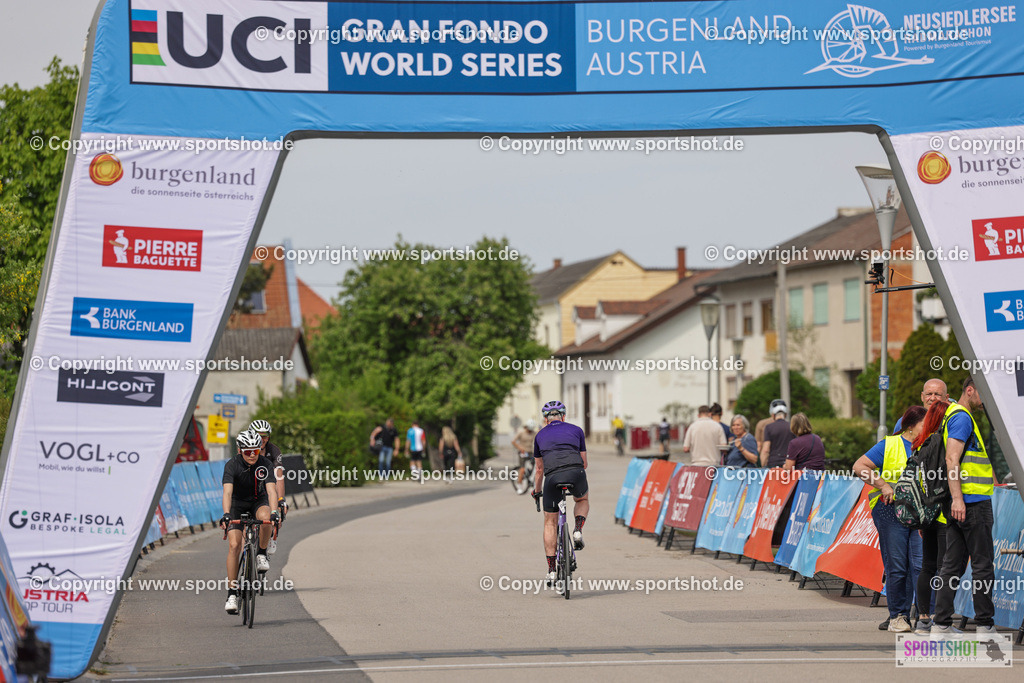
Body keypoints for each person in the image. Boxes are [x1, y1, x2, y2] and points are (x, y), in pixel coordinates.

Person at [852, 405, 927, 633]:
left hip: (920, 513)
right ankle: (898, 616)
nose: (930, 428)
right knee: (897, 566)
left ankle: (924, 617)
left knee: (921, 565)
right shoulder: (890, 444)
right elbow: (859, 466)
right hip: (890, 511)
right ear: (911, 426)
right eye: (926, 424)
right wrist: (883, 485)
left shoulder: (930, 445)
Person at [932, 377, 997, 636]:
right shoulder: (961, 417)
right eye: (983, 393)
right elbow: (952, 458)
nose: (986, 399)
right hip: (970, 502)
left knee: (952, 565)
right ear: (969, 390)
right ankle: (984, 625)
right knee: (982, 565)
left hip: (961, 502)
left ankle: (941, 624)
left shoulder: (955, 416)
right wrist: (958, 498)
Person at [220, 430, 280, 614]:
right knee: (234, 545)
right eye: (248, 452)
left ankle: (261, 553)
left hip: (257, 501)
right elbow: (227, 492)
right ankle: (232, 593)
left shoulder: (266, 464)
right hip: (237, 504)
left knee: (266, 516)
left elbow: (271, 491)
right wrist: (227, 513)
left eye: (256, 450)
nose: (253, 455)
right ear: (240, 450)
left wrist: (275, 512)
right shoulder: (232, 465)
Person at [531, 400, 589, 587]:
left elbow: (539, 470)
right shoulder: (577, 430)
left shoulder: (539, 435)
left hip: (553, 477)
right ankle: (578, 530)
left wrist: (537, 491)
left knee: (550, 521)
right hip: (576, 471)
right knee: (582, 498)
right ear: (563, 416)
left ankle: (551, 570)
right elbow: (584, 463)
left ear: (546, 420)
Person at [909, 399, 951, 635]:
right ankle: (941, 621)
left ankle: (923, 619)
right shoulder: (943, 442)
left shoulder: (920, 443)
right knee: (946, 568)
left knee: (927, 566)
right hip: (944, 512)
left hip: (926, 512)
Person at [248, 419, 287, 555]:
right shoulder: (246, 448)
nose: (261, 439)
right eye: (258, 435)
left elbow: (279, 477)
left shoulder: (274, 450)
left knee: (276, 510)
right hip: (252, 485)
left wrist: (281, 499)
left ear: (268, 437)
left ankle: (271, 536)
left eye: (264, 436)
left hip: (269, 485)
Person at [760, 399, 795, 468]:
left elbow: (765, 450)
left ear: (773, 414)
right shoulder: (792, 426)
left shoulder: (768, 427)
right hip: (790, 464)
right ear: (785, 414)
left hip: (773, 464)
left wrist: (761, 467)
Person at [511, 420, 537, 493]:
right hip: (522, 452)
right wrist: (520, 448)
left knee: (536, 466)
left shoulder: (533, 433)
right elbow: (513, 441)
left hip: (530, 452)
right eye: (529, 429)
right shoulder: (521, 433)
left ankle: (531, 480)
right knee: (522, 469)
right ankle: (519, 485)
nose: (530, 431)